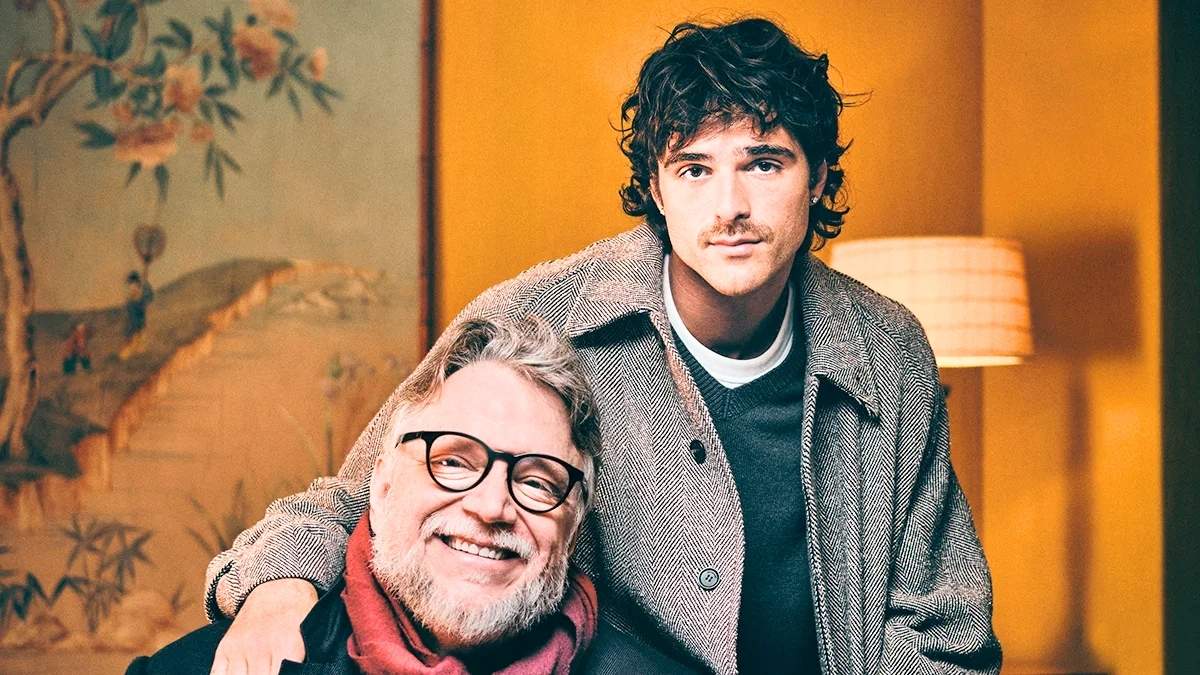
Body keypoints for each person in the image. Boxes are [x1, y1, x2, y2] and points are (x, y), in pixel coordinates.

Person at [206, 17, 1002, 674]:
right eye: (693, 169)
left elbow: (940, 623)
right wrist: (274, 588)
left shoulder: (887, 349)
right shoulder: (537, 315)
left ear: (820, 176)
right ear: (654, 187)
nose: (729, 206)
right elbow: (365, 494)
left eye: (765, 163)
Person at [131, 318, 692, 674]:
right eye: (451, 461)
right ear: (379, 485)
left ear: (572, 528)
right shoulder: (216, 667)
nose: (492, 506)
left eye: (537, 481)